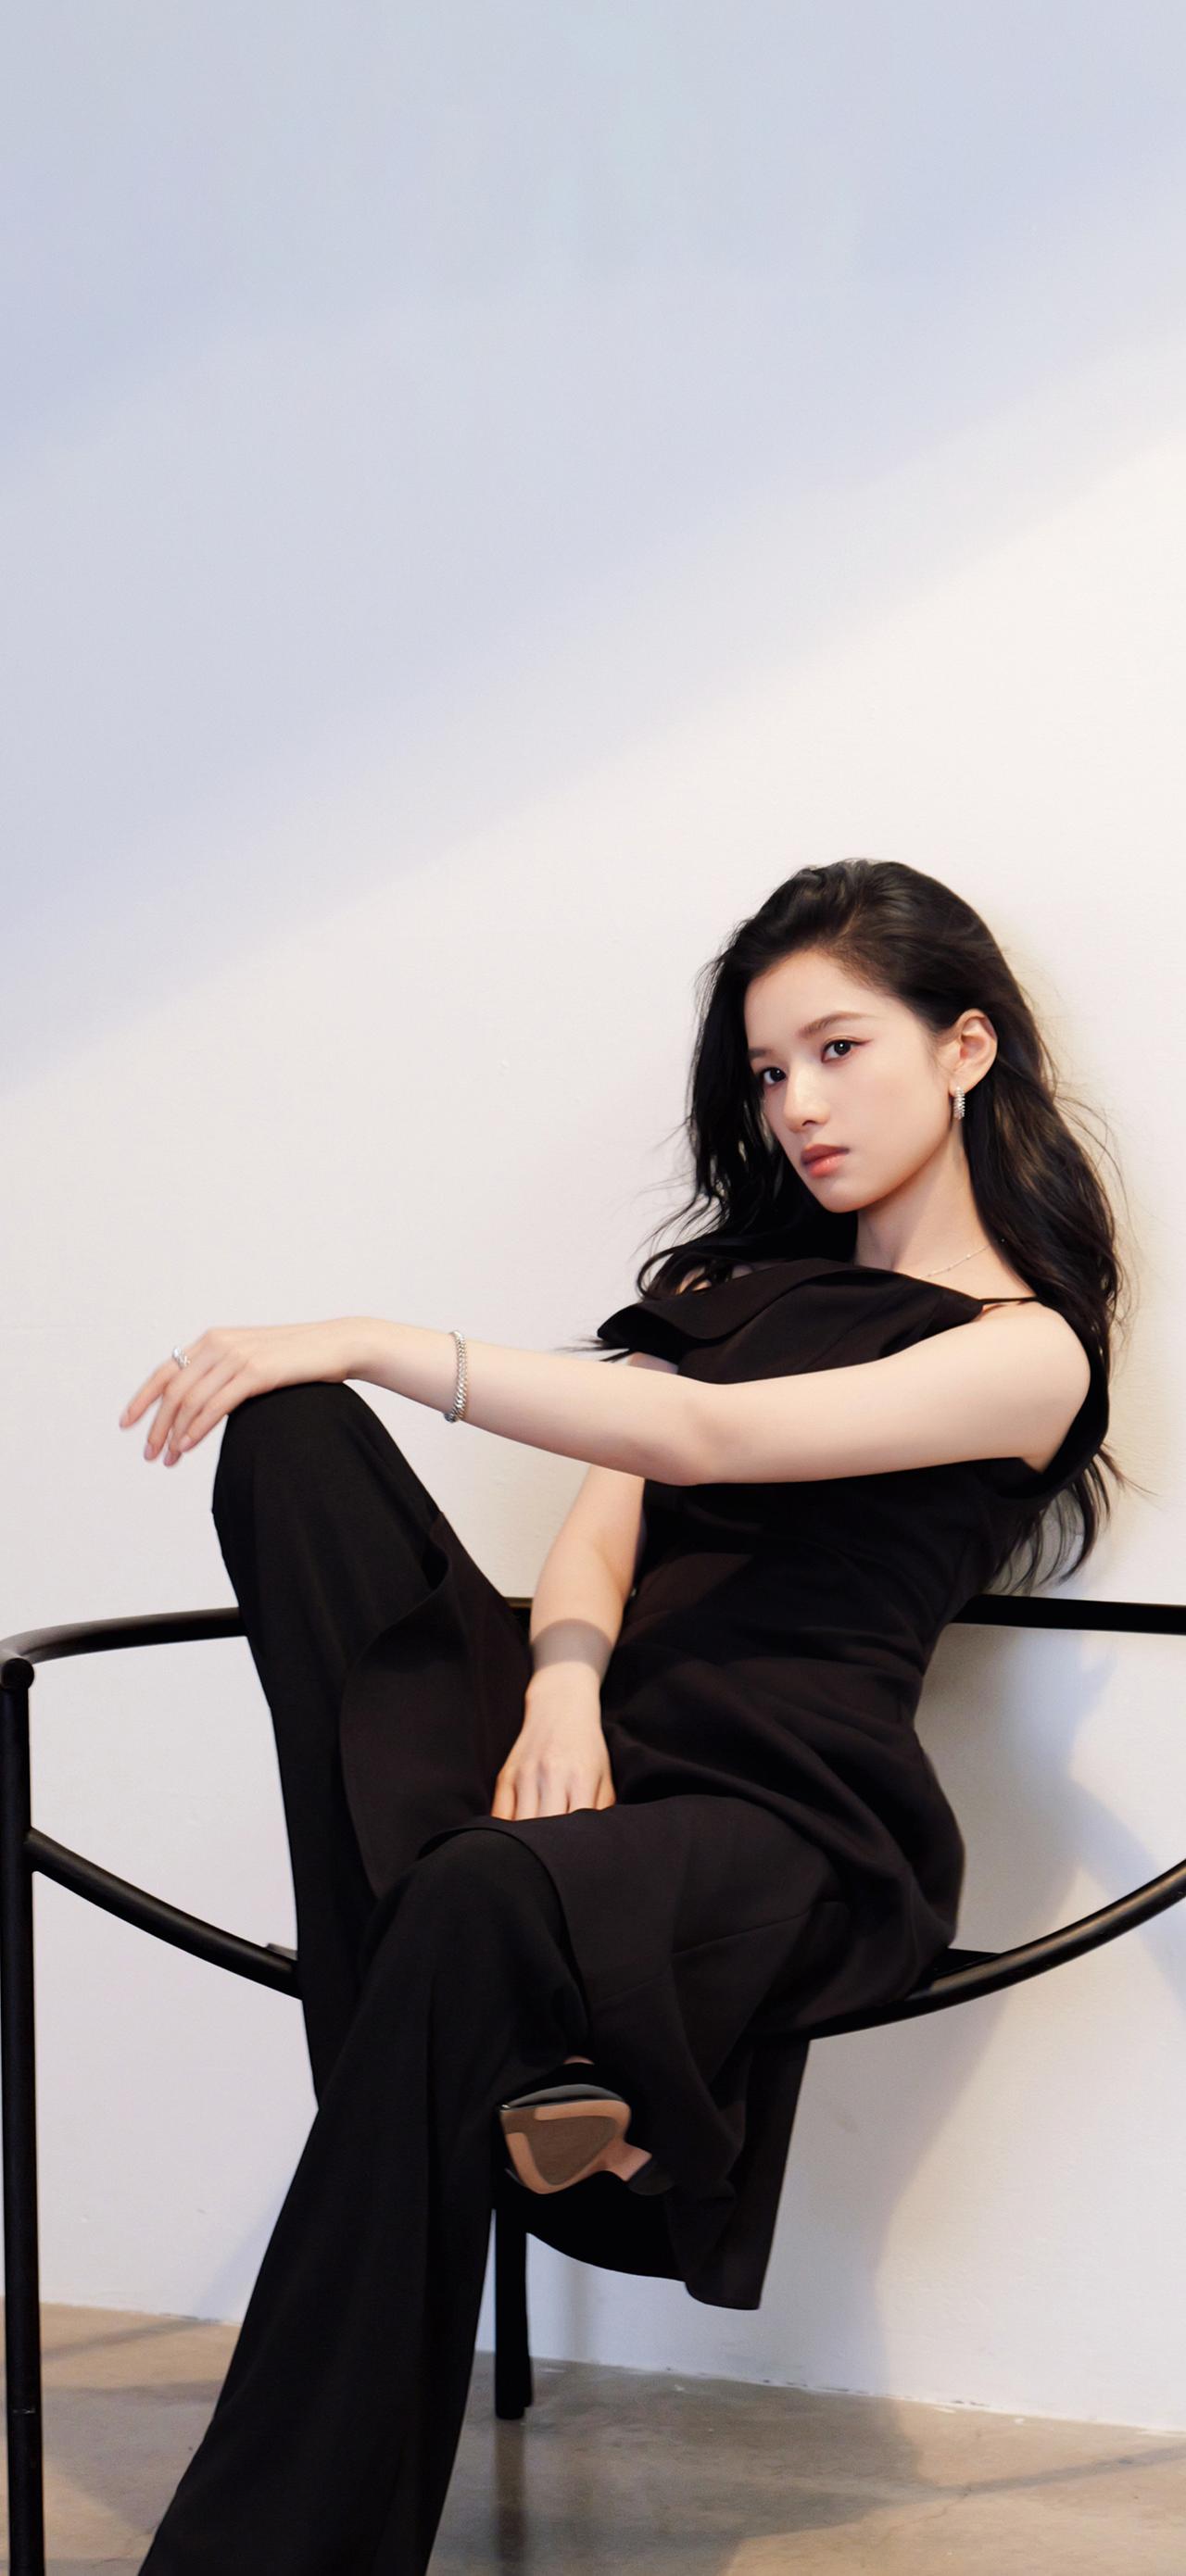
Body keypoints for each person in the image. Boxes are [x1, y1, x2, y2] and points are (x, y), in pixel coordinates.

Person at [125, 858, 1126, 2572]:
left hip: (776, 1806)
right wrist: (563, 1685)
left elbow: (702, 1443)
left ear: (965, 1048)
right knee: (290, 1440)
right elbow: (606, 1519)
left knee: (465, 1896)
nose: (797, 1105)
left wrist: (377, 1335)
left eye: (837, 1050)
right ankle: (537, 2062)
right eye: (769, 1069)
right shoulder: (723, 1290)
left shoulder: (1027, 1350)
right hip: (576, 1741)